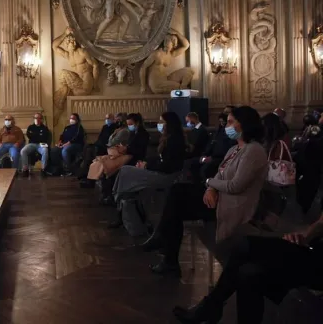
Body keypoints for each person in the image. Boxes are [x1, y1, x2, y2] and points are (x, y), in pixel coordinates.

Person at [142, 106, 268, 277]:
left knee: (177, 199)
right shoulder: (234, 149)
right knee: (177, 195)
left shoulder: (253, 151)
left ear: (244, 124)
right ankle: (167, 253)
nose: (226, 126)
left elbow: (235, 186)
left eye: (231, 122)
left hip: (233, 204)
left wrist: (209, 182)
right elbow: (220, 174)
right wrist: (210, 188)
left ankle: (166, 250)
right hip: (219, 197)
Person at [173, 211, 323, 324]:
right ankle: (211, 306)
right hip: (314, 250)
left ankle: (211, 307)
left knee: (246, 249)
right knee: (247, 271)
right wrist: (305, 236)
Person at [108, 112, 187, 231]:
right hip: (161, 171)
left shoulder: (175, 140)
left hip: (167, 176)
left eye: (162, 121)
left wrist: (147, 166)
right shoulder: (168, 138)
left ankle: (118, 198)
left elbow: (168, 165)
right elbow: (159, 159)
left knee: (125, 172)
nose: (159, 124)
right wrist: (145, 163)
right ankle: (121, 201)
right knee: (125, 173)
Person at [85, 113, 150, 192]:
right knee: (102, 162)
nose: (129, 126)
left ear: (137, 123)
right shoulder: (132, 132)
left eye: (131, 124)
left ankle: (108, 192)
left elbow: (139, 149)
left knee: (109, 167)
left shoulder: (143, 134)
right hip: (126, 154)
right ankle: (103, 189)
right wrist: (123, 147)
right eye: (128, 124)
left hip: (134, 157)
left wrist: (126, 149)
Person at [186, 113, 236, 183]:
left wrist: (211, 157)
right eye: (220, 122)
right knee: (191, 163)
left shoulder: (230, 134)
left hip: (219, 158)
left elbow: (226, 150)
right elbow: (211, 145)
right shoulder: (218, 132)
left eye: (224, 122)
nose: (223, 124)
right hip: (210, 156)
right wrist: (205, 155)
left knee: (204, 169)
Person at [77, 113, 119, 179]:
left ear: (113, 119)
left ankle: (85, 173)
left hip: (106, 146)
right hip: (99, 144)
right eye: (106, 118)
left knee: (89, 151)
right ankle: (84, 168)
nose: (107, 120)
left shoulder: (115, 127)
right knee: (87, 147)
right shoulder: (105, 127)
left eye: (108, 118)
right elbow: (100, 137)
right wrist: (96, 143)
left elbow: (110, 140)